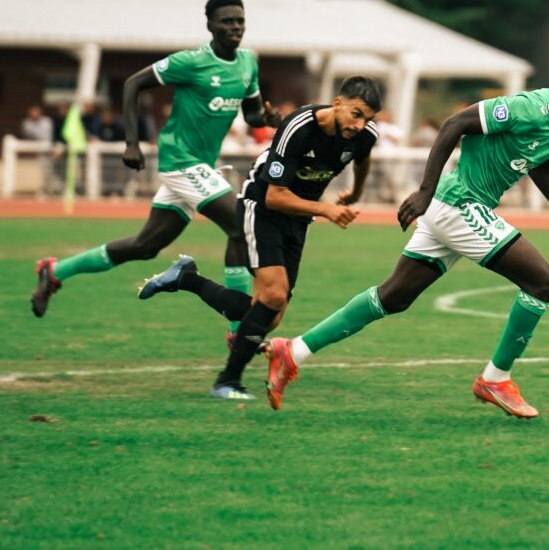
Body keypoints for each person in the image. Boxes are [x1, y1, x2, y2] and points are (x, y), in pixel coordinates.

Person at [262, 56, 549, 417]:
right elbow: (455, 124)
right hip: (459, 204)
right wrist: (425, 191)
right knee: (542, 282)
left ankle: (293, 351)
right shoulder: (528, 108)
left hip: (455, 207)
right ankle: (495, 379)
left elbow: (540, 166)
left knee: (393, 297)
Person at [29, 0, 280, 318]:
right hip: (180, 160)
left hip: (201, 166)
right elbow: (133, 83)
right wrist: (131, 142)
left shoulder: (248, 63)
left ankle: (56, 271)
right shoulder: (190, 62)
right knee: (241, 224)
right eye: (227, 21)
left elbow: (252, 115)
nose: (235, 27)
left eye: (240, 21)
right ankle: (239, 330)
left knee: (145, 247)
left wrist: (269, 119)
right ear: (210, 25)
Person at [138, 78, 382, 400]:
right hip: (261, 208)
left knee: (271, 314)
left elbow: (362, 159)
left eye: (367, 118)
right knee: (273, 298)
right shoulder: (298, 128)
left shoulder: (364, 135)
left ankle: (188, 279)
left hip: (298, 218)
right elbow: (274, 197)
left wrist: (357, 192)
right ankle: (227, 381)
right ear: (337, 103)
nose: (360, 124)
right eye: (356, 114)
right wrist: (326, 209)